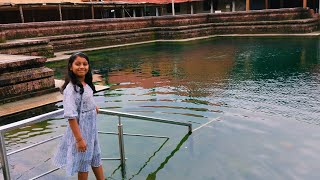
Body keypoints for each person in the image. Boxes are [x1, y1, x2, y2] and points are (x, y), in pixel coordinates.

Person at [53, 52, 105, 180]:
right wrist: (79, 139)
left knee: (96, 156)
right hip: (81, 131)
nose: (82, 67)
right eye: (78, 64)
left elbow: (85, 101)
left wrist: (94, 107)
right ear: (71, 67)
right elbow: (71, 116)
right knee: (83, 162)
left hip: (92, 130)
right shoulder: (70, 90)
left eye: (85, 64)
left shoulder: (86, 84)